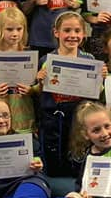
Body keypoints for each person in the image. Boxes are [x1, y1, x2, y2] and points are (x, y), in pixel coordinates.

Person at [36, 12, 102, 177]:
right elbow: (38, 92)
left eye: (77, 31)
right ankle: (53, 175)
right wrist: (40, 81)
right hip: (53, 114)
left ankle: (77, 174)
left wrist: (101, 78)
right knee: (54, 150)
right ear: (56, 32)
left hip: (79, 113)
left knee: (78, 147)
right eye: (67, 30)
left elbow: (97, 92)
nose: (72, 35)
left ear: (84, 34)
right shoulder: (46, 60)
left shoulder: (90, 59)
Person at [0, 8, 38, 134]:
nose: (15, 34)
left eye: (19, 29)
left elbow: (35, 86)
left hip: (22, 107)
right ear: (0, 30)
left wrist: (31, 90)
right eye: (9, 29)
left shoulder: (29, 55)